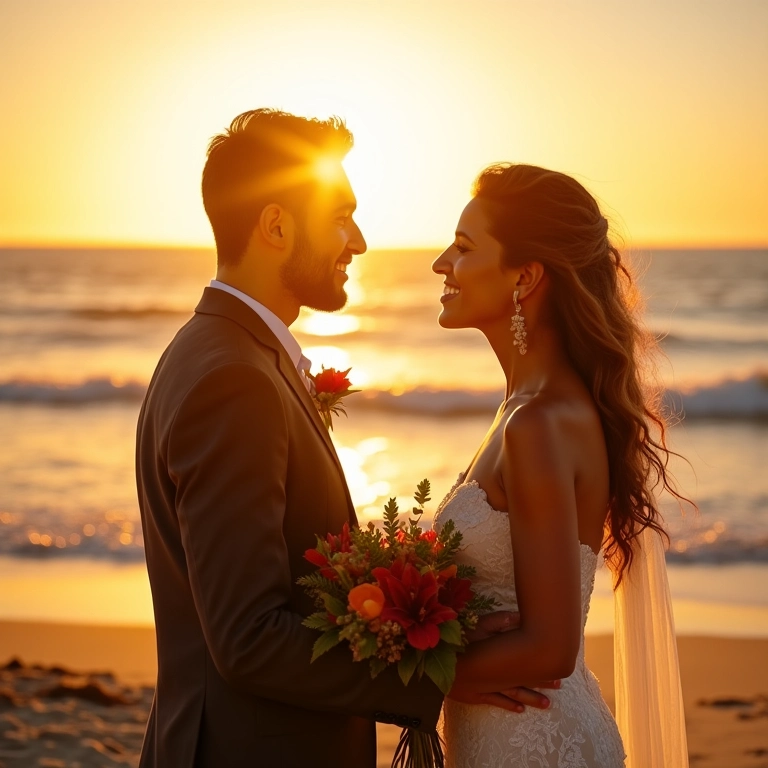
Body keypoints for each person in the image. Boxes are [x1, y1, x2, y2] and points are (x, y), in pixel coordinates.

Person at [135, 111, 552, 768]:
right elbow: (247, 638)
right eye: (340, 216)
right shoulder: (233, 382)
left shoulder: (219, 351)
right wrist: (438, 676)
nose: (357, 242)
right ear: (276, 226)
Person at [433, 164, 689, 767]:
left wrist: (422, 675)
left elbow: (550, 648)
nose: (442, 263)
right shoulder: (524, 408)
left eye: (464, 248)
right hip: (509, 729)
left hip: (529, 742)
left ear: (525, 276)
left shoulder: (538, 422)